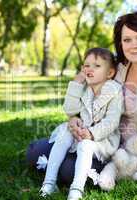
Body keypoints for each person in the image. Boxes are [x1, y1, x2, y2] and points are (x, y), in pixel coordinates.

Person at [26, 10, 137, 188]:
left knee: (67, 170)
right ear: (120, 44)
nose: (134, 45)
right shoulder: (117, 68)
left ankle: (60, 168)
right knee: (35, 150)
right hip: (102, 140)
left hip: (135, 155)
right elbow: (88, 96)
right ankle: (57, 166)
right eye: (127, 39)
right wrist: (74, 118)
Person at [39, 47, 123, 199]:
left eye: (97, 66)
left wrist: (91, 133)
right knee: (65, 133)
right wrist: (76, 83)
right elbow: (69, 109)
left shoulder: (115, 92)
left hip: (102, 141)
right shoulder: (84, 88)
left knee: (85, 144)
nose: (90, 69)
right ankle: (49, 183)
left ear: (110, 73)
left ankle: (76, 189)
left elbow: (112, 122)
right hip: (81, 133)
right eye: (86, 65)